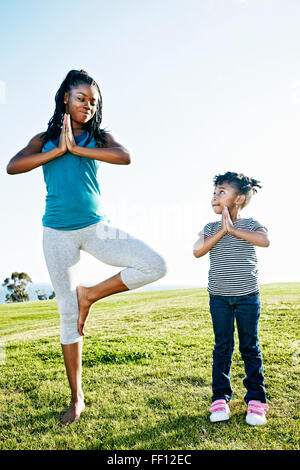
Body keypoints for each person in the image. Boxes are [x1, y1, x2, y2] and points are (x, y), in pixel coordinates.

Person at [7, 69, 167, 424]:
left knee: (155, 265)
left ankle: (90, 294)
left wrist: (77, 148)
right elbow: (13, 167)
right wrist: (58, 150)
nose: (88, 106)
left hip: (97, 228)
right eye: (81, 98)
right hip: (57, 233)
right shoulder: (44, 138)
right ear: (65, 97)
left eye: (93, 101)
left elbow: (124, 156)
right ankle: (76, 398)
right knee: (67, 318)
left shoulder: (99, 136)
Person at [193, 171, 270, 426]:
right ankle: (220, 398)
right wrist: (223, 231)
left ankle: (256, 401)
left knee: (250, 347)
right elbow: (197, 250)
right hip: (219, 299)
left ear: (238, 199)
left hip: (248, 297)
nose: (214, 197)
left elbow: (264, 240)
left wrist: (234, 231)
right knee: (222, 348)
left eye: (221, 192)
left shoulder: (249, 224)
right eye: (214, 192)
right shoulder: (210, 228)